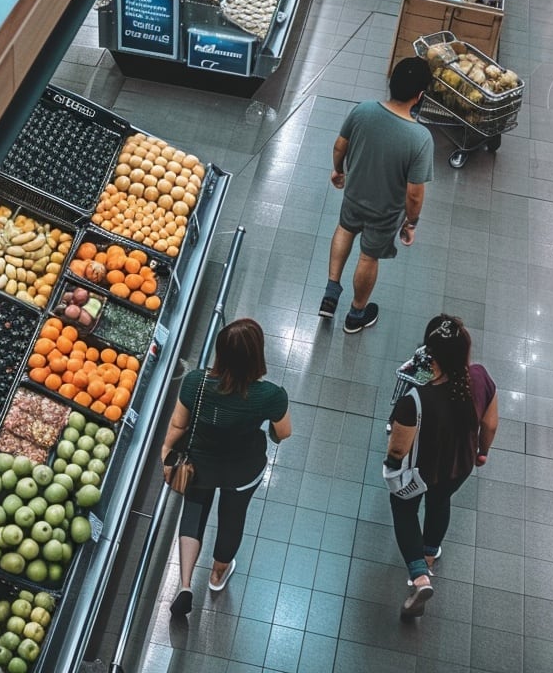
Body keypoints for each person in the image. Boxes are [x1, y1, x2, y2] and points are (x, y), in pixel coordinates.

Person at [160, 318, 293, 618]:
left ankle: (184, 585)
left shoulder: (196, 382)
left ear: (220, 352)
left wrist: (166, 452)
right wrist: (269, 432)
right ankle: (217, 575)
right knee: (233, 518)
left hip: (200, 465)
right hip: (243, 470)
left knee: (193, 513)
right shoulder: (271, 395)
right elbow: (283, 432)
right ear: (257, 355)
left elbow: (179, 424)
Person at [384, 314, 499, 619]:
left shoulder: (415, 399)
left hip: (421, 471)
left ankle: (420, 577)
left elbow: (398, 446)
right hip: (459, 467)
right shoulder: (480, 377)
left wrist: (392, 464)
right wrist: (482, 453)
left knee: (404, 509)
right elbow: (489, 425)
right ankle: (430, 553)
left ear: (431, 355)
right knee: (440, 503)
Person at [321, 57, 435, 334]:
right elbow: (414, 194)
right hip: (385, 213)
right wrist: (411, 223)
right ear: (420, 96)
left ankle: (331, 291)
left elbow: (339, 145)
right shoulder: (420, 138)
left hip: (355, 194)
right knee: (368, 258)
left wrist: (338, 171)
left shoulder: (364, 110)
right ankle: (355, 315)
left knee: (344, 230)